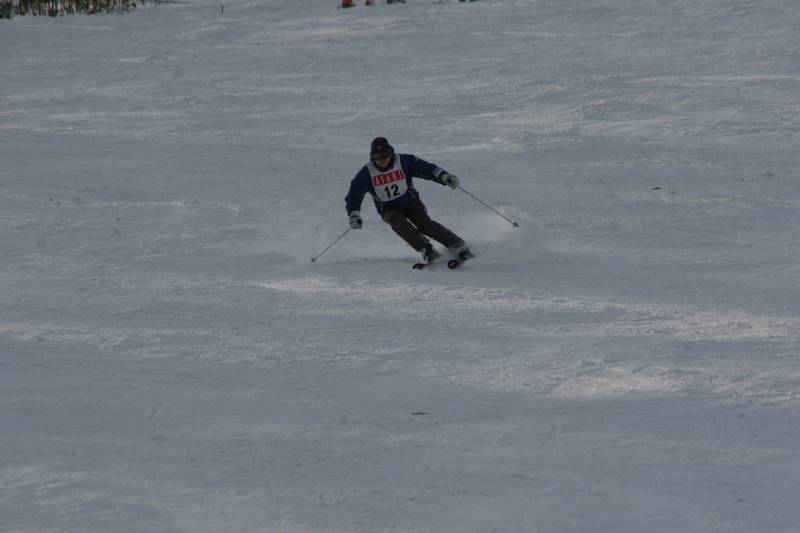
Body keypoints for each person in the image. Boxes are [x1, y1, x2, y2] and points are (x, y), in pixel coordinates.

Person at [345, 137, 472, 263]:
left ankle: (458, 245)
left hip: (410, 202)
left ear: (391, 152)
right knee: (397, 222)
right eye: (378, 157)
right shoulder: (366, 173)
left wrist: (444, 176)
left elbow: (426, 169)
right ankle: (426, 249)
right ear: (372, 157)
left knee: (425, 225)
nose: (382, 160)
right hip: (388, 209)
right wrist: (354, 215)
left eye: (385, 155)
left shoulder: (404, 162)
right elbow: (354, 195)